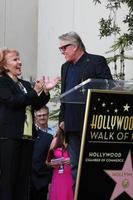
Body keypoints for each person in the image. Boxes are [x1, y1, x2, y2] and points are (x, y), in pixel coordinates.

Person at [0, 48, 59, 200]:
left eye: (19, 59)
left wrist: (45, 91)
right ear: (5, 65)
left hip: (27, 138)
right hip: (10, 137)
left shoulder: (24, 84)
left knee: (23, 180)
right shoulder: (2, 82)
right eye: (14, 59)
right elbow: (13, 102)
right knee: (9, 180)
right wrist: (35, 90)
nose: (19, 62)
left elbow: (35, 104)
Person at [58, 31, 113, 192]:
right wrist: (62, 119)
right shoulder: (65, 67)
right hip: (72, 125)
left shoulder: (96, 61)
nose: (62, 52)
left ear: (74, 46)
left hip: (92, 123)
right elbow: (64, 96)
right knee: (75, 166)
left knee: (94, 165)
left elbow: (108, 87)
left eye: (63, 48)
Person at [30, 106, 56, 200]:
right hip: (33, 177)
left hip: (47, 176)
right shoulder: (31, 134)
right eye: (39, 115)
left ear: (48, 115)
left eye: (44, 115)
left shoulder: (55, 133)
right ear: (35, 117)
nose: (42, 117)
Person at [47, 128, 74, 200]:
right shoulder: (55, 140)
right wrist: (52, 163)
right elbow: (47, 162)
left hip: (70, 177)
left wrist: (73, 160)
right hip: (58, 177)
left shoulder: (75, 140)